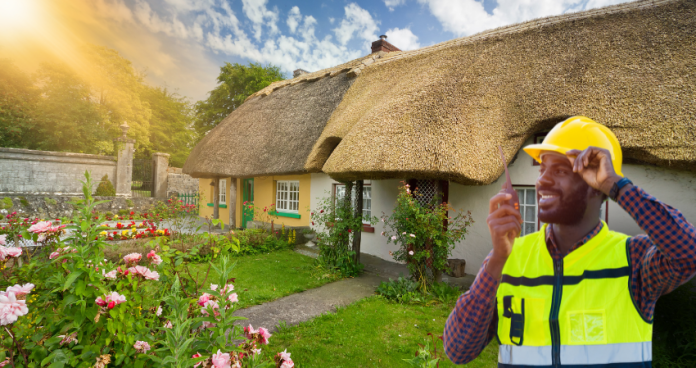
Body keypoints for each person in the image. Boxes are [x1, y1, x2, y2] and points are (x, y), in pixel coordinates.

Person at [443, 116, 696, 367]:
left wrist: (617, 186)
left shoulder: (633, 260)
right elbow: (458, 350)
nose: (542, 181)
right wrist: (497, 259)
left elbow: (688, 253)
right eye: (542, 170)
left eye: (560, 170)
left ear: (597, 184)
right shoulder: (507, 258)